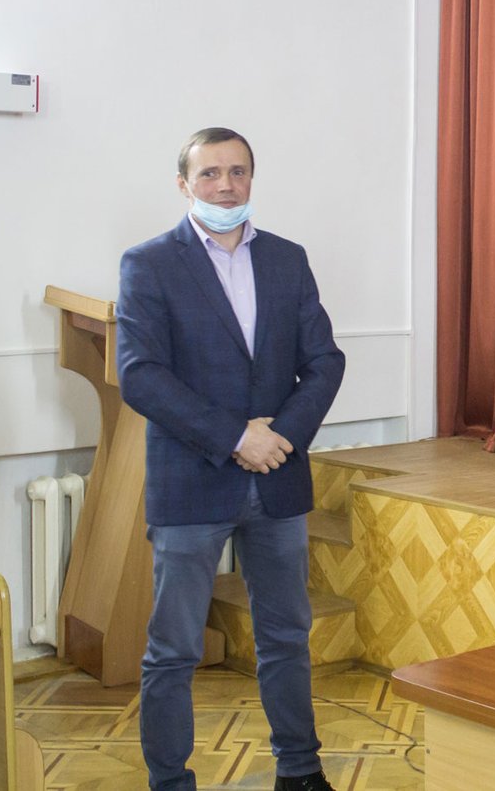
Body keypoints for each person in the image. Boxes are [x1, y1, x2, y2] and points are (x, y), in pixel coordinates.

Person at [117, 127, 345, 791]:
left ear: (251, 178)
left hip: (277, 479)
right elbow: (140, 375)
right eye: (210, 173)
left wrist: (282, 437)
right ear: (184, 184)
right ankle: (170, 781)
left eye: (238, 171)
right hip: (192, 481)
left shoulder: (287, 259)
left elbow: (324, 361)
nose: (225, 185)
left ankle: (300, 770)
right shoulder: (149, 263)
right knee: (174, 648)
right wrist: (235, 437)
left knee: (286, 636)